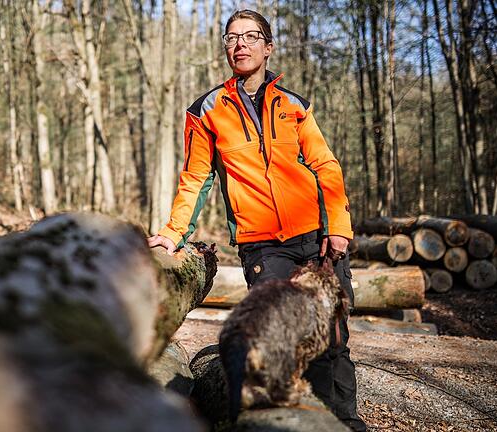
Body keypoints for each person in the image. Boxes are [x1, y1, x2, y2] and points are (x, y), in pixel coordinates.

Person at [146, 9, 367, 432]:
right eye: (232, 38)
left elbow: (326, 165)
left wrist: (338, 226)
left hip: (318, 237)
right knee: (275, 343)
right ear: (226, 48)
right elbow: (196, 177)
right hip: (263, 247)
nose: (240, 44)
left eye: (250, 37)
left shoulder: (295, 105)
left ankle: (346, 423)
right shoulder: (207, 110)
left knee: (332, 342)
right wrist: (174, 233)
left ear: (268, 47)